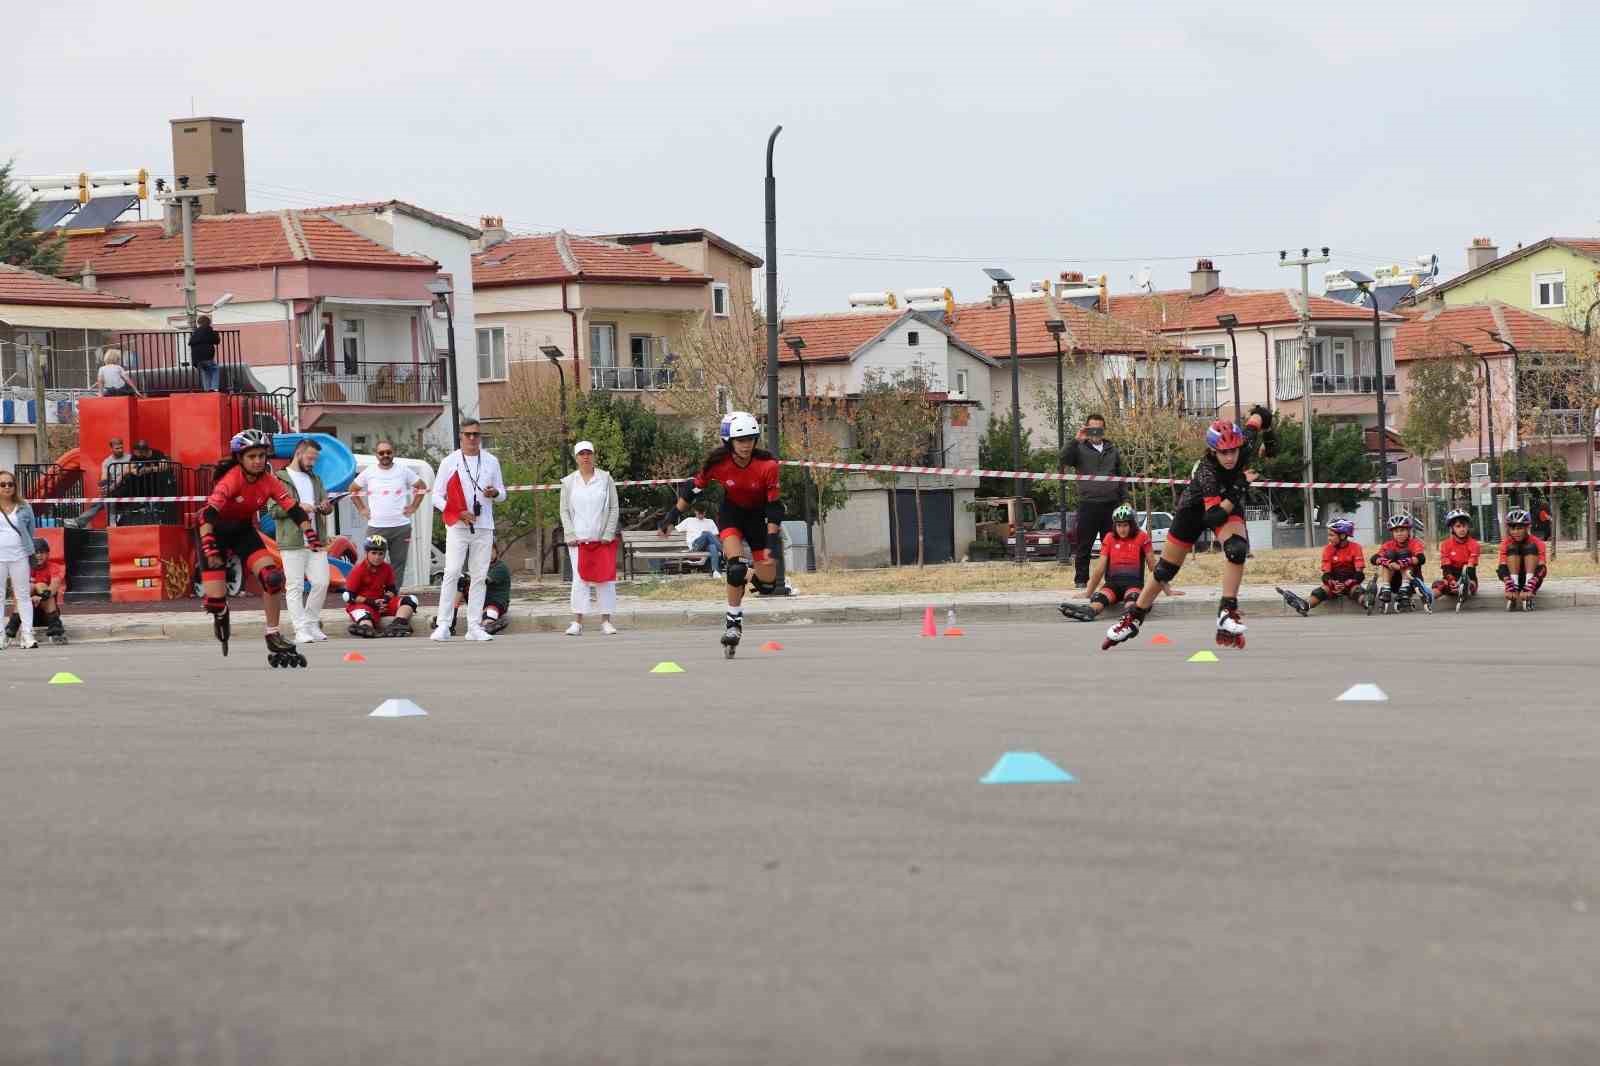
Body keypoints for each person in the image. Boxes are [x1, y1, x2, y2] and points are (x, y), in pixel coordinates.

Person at [1103, 407, 1271, 651]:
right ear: (1213, 450)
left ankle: (1227, 611)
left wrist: (1270, 436)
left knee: (1237, 549)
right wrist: (1240, 486)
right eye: (1223, 453)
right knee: (1165, 570)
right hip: (1193, 511)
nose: (1230, 458)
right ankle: (1133, 618)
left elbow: (1261, 415)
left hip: (1226, 505)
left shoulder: (1244, 443)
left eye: (1233, 451)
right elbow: (1212, 517)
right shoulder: (1207, 471)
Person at [658, 411, 784, 657]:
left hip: (759, 519)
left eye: (750, 439)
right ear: (729, 442)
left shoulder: (768, 466)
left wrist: (770, 540)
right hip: (732, 515)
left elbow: (773, 506)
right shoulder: (718, 464)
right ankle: (733, 624)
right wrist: (671, 517)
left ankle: (749, 574)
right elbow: (692, 490)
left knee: (768, 586)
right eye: (740, 440)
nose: (746, 445)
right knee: (735, 568)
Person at [198, 429, 321, 665]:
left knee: (272, 578)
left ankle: (272, 633)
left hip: (243, 531)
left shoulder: (268, 480)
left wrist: (309, 532)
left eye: (261, 456)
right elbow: (208, 515)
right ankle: (221, 612)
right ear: (239, 459)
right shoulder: (231, 479)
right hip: (214, 532)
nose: (258, 461)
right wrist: (208, 544)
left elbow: (293, 508)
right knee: (215, 601)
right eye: (251, 456)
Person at [430, 420, 505, 642]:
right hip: (458, 526)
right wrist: (456, 511)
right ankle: (443, 624)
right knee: (452, 572)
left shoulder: (491, 461)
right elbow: (436, 496)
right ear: (461, 436)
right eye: (468, 434)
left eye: (476, 435)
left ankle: (474, 626)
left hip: (483, 525)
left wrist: (495, 494)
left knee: (480, 576)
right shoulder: (449, 461)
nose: (473, 439)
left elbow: (503, 492)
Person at [1059, 504, 1177, 621]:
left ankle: (1131, 615)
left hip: (1134, 585)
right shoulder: (1109, 538)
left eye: (1125, 525)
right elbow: (1099, 569)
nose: (1122, 529)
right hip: (1112, 585)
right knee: (1098, 598)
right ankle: (1089, 612)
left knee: (1133, 599)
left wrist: (1167, 590)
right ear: (1114, 525)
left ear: (1132, 524)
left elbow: (1153, 566)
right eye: (1119, 525)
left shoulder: (1142, 537)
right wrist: (1088, 593)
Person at [270, 438, 334, 644]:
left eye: (315, 458)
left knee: (322, 582)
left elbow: (328, 505)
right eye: (310, 457)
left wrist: (326, 506)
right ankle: (300, 630)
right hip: (292, 540)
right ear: (298, 453)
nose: (313, 462)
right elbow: (273, 510)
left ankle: (311, 623)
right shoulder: (279, 479)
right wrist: (298, 507)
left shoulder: (315, 479)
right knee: (295, 586)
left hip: (317, 539)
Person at [560, 440, 621, 636]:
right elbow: (564, 511)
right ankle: (577, 621)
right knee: (580, 580)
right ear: (576, 457)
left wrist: (608, 533)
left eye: (589, 453)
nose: (585, 457)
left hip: (601, 539)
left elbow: (613, 507)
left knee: (605, 579)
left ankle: (606, 621)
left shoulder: (605, 479)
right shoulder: (569, 482)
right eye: (581, 454)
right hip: (578, 540)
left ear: (594, 455)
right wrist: (569, 533)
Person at [1060, 413, 1126, 588]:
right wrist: (1076, 440)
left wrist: (1124, 500)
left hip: (1111, 505)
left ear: (1104, 430)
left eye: (1099, 428)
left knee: (1112, 545)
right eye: (1092, 428)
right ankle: (1081, 580)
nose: (1096, 431)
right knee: (1084, 545)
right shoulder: (1079, 448)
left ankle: (1112, 581)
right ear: (1087, 428)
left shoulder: (1113, 450)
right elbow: (1063, 459)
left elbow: (1120, 477)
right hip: (1088, 504)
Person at [352, 440, 426, 586]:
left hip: (401, 527)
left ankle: (392, 596)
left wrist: (413, 507)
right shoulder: (369, 471)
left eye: (388, 452)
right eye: (381, 453)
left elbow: (422, 487)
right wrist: (362, 509)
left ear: (393, 453)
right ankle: (372, 595)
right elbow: (353, 490)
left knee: (398, 565)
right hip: (376, 526)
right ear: (376, 455)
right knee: (371, 564)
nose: (385, 455)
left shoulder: (404, 470)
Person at [1279, 517, 1366, 615]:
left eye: (1331, 535)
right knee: (1320, 591)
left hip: (1351, 583)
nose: (1329, 538)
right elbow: (1326, 575)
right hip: (1334, 583)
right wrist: (1333, 583)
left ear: (1342, 535)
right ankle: (1305, 605)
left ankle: (1366, 602)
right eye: (1328, 535)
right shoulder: (1328, 549)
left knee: (1358, 591)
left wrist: (1346, 584)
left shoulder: (1356, 547)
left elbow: (1359, 574)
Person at [343, 534, 419, 637]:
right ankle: (366, 627)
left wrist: (385, 599)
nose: (377, 557)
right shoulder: (358, 570)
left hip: (381, 604)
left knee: (411, 599)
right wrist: (371, 602)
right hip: (364, 605)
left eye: (380, 554)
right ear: (366, 553)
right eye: (373, 553)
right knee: (362, 614)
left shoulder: (387, 568)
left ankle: (399, 623)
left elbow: (392, 589)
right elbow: (349, 596)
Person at [0, 470, 40, 649]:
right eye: (3, 484)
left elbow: (31, 530)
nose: (7, 487)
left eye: (10, 484)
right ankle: (1, 636)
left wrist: (28, 548)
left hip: (20, 555)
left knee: (23, 595)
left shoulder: (24, 506)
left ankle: (27, 634)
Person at [435, 550, 512, 636]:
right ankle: (450, 622)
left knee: (490, 612)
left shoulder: (500, 567)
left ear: (496, 552)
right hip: (479, 602)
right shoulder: (479, 566)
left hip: (495, 602)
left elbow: (484, 580)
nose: (488, 553)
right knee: (461, 583)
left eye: (491, 550)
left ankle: (488, 624)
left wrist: (467, 577)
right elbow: (468, 577)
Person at [6, 538, 66, 645]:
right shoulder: (23, 568)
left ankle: (55, 627)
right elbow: (14, 591)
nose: (38, 556)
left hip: (46, 613)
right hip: (25, 614)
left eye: (42, 552)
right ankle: (13, 624)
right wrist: (29, 599)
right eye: (35, 553)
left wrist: (43, 596)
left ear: (48, 554)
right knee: (28, 587)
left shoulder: (54, 567)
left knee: (41, 586)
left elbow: (54, 585)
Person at [1371, 513, 1431, 613]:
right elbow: (1374, 559)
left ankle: (1405, 586)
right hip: (1394, 581)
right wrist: (1388, 563)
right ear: (1392, 533)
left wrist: (1404, 562)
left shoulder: (1415, 543)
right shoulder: (1388, 544)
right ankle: (1386, 587)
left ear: (1408, 531)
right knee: (1388, 555)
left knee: (1405, 553)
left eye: (1402, 530)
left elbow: (1421, 558)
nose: (1399, 534)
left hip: (1412, 581)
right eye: (1396, 531)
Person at [1497, 508, 1547, 611]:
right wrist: (1508, 583)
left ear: (1527, 527)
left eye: (1519, 528)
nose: (1516, 532)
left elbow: (1542, 568)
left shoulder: (1539, 543)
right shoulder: (1505, 543)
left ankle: (1527, 585)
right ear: (1508, 529)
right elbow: (1502, 567)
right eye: (1513, 528)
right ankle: (1514, 586)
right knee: (1512, 548)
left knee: (1530, 547)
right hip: (1513, 578)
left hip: (1532, 578)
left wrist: (1532, 583)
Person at [73, 437, 129, 528]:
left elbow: (123, 475)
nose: (120, 450)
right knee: (101, 501)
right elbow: (104, 476)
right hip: (113, 487)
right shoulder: (107, 461)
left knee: (106, 498)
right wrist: (103, 485)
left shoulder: (129, 458)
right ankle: (111, 523)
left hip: (127, 486)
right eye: (117, 448)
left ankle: (80, 521)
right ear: (111, 449)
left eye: (121, 447)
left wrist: (108, 489)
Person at [1432, 508, 1481, 608]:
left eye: (1464, 526)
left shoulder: (1474, 544)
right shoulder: (1446, 544)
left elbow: (1471, 566)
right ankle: (1428, 598)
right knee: (1439, 584)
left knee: (1468, 583)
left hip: (1468, 575)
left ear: (1468, 527)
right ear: (1452, 528)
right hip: (1451, 574)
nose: (1462, 529)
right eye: (1458, 526)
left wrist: (1463, 581)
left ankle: (1463, 590)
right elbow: (1445, 566)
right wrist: (1451, 580)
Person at [674, 502, 723, 576]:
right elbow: (676, 529)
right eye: (699, 513)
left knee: (712, 546)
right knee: (706, 533)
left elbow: (715, 537)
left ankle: (715, 572)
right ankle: (724, 551)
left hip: (706, 547)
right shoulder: (689, 520)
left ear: (705, 512)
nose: (701, 515)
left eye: (702, 513)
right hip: (695, 546)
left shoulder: (710, 521)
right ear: (695, 511)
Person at [190, 314, 221, 392]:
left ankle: (207, 390)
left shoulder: (195, 332)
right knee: (215, 369)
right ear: (208, 323)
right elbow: (217, 341)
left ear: (199, 323)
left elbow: (190, 343)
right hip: (206, 356)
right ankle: (214, 388)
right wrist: (216, 334)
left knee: (205, 371)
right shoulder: (209, 330)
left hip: (196, 359)